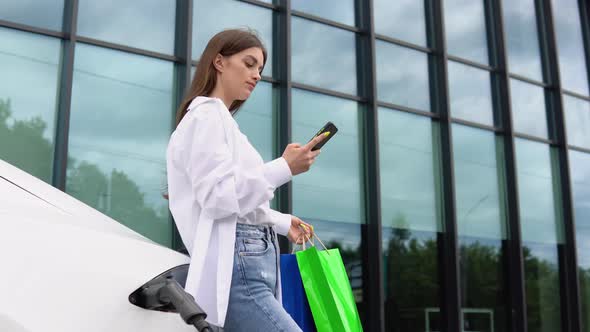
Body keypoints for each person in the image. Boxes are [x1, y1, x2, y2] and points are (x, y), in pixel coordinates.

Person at [166, 29, 327, 331]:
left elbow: (233, 198)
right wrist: (284, 167)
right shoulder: (206, 116)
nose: (257, 75)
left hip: (251, 261)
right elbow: (217, 198)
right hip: (238, 267)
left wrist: (279, 221)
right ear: (219, 62)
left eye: (260, 69)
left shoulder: (222, 121)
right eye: (249, 63)